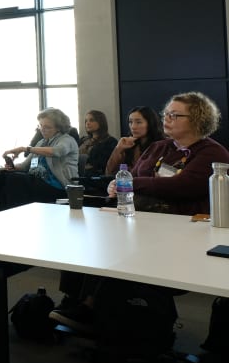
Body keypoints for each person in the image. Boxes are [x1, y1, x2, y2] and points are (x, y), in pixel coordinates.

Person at [50, 92, 229, 334]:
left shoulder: (211, 152)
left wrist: (132, 184)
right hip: (139, 219)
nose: (167, 118)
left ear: (198, 119)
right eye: (166, 114)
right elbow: (131, 175)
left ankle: (89, 308)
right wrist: (117, 184)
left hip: (180, 229)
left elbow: (182, 186)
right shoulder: (159, 147)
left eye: (175, 115)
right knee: (88, 238)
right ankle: (75, 301)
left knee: (112, 246)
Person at [0, 108, 79, 210]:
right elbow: (24, 166)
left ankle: (16, 214)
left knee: (15, 181)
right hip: (37, 182)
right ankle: (9, 216)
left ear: (58, 128)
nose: (42, 129)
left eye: (47, 127)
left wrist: (25, 148)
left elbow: (56, 151)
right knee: (6, 180)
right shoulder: (41, 142)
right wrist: (13, 167)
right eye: (40, 126)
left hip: (59, 186)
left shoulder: (67, 140)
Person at [104, 106, 163, 176]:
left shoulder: (162, 145)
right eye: (130, 122)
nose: (133, 127)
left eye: (139, 122)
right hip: (127, 185)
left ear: (150, 123)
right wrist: (118, 149)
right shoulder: (129, 144)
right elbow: (109, 173)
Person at [78, 110, 118, 176]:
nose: (87, 123)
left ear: (100, 122)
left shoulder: (110, 141)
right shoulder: (83, 140)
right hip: (78, 174)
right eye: (86, 121)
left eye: (91, 120)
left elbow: (105, 164)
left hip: (96, 177)